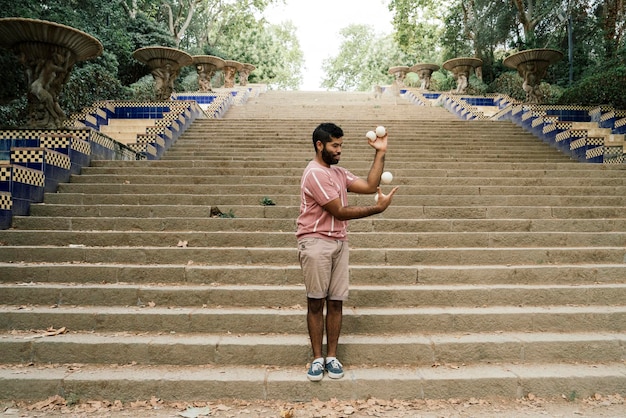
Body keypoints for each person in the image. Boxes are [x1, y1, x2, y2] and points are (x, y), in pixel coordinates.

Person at [296, 122, 399, 381]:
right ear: (320, 145)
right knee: (316, 301)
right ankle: (317, 359)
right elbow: (339, 211)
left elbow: (369, 184)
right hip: (316, 240)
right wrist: (377, 209)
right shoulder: (314, 174)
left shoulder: (338, 173)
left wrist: (380, 152)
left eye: (341, 145)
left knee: (336, 301)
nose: (339, 150)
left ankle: (332, 356)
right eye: (335, 145)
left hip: (339, 241)